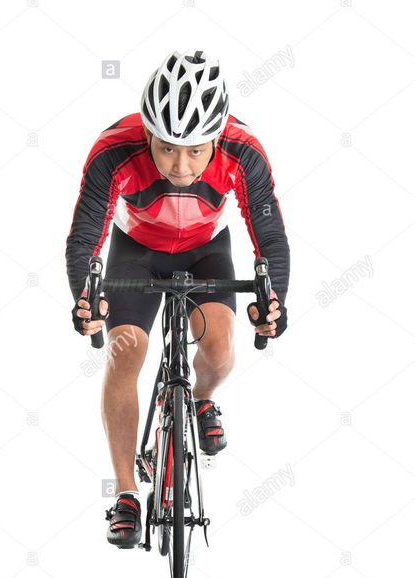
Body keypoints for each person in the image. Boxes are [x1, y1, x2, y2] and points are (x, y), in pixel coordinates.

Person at [65, 50, 290, 548]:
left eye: (195, 150)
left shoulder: (243, 150)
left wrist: (274, 303)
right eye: (167, 148)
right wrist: (86, 297)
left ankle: (203, 400)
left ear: (218, 136)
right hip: (136, 252)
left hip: (207, 250)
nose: (181, 165)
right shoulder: (113, 150)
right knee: (125, 353)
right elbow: (85, 238)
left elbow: (268, 237)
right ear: (146, 132)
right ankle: (126, 493)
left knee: (220, 352)